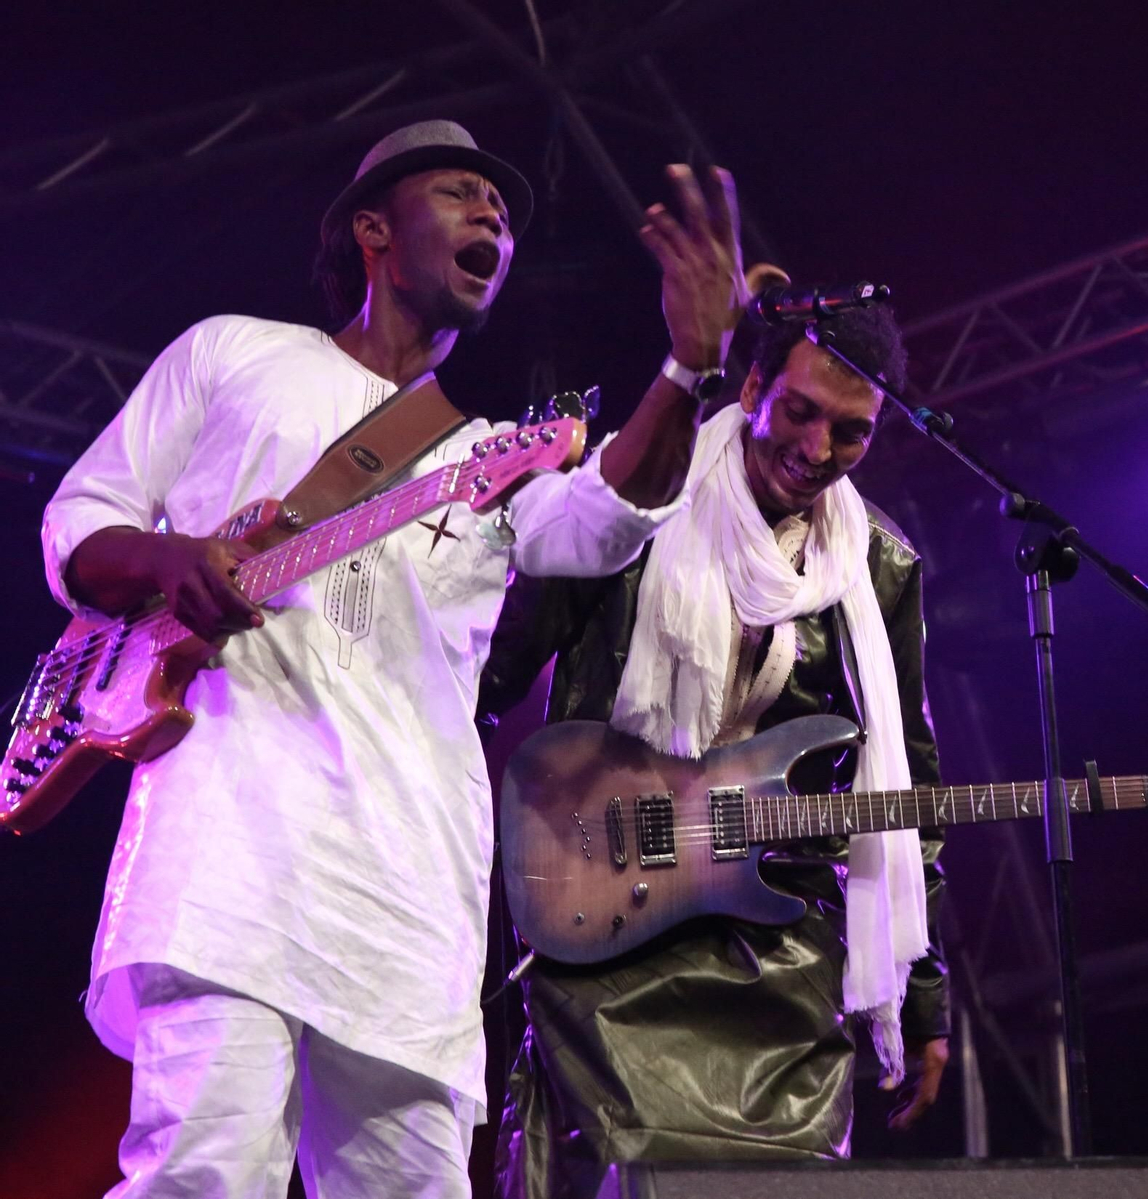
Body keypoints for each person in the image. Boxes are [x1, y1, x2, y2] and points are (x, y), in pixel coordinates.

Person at [40, 120, 761, 1197]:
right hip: (224, 866)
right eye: (464, 193)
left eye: (505, 213)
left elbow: (608, 518)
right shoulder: (233, 352)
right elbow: (81, 526)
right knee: (200, 1175)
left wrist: (687, 366)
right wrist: (175, 557)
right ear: (373, 227)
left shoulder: (487, 457)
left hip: (406, 905)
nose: (494, 219)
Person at [479, 302, 951, 1198]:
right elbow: (487, 674)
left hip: (783, 955)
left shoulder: (877, 564)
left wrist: (922, 990)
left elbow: (908, 785)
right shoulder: (634, 498)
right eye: (801, 411)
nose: (817, 449)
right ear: (751, 387)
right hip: (607, 914)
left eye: (851, 433)